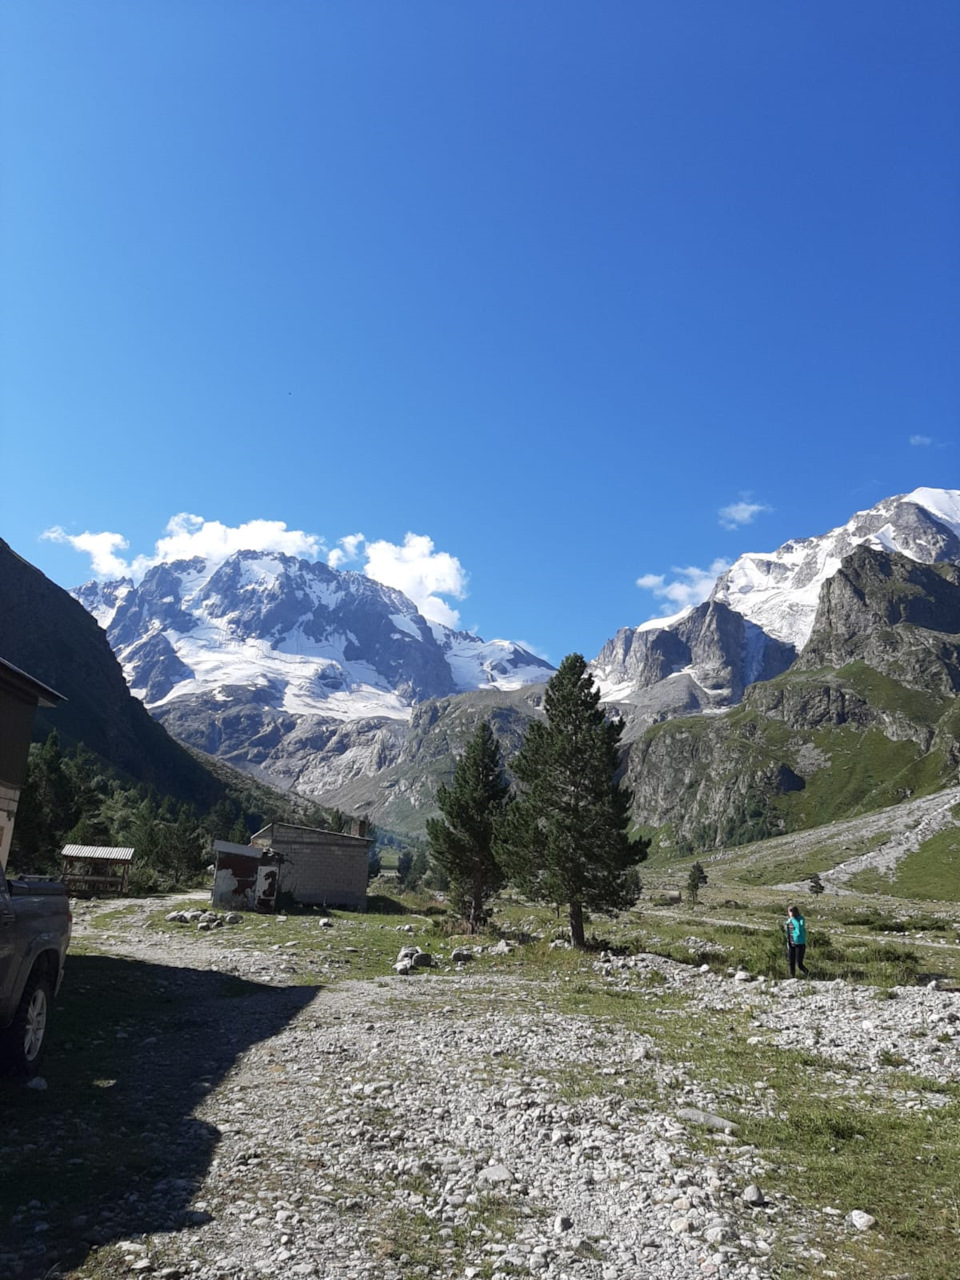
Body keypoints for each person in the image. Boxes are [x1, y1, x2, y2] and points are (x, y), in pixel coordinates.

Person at [786, 905, 808, 977]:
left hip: (799, 944)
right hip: (791, 944)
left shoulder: (800, 919)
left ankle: (808, 974)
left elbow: (799, 928)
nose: (791, 912)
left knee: (799, 963)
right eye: (790, 911)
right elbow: (788, 933)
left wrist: (793, 919)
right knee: (791, 962)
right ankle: (792, 977)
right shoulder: (788, 921)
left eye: (792, 911)